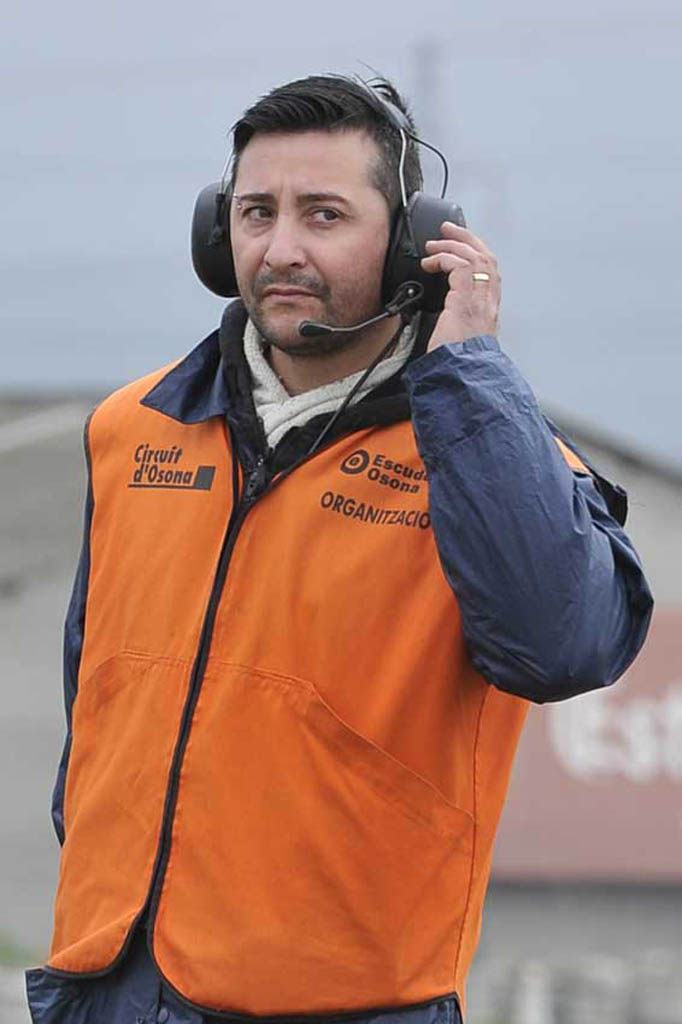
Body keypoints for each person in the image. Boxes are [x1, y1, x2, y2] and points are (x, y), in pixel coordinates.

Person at [27, 74, 653, 1024]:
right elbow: (97, 703)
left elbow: (563, 648)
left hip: (345, 1002)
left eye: (324, 215)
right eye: (256, 213)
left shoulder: (491, 460)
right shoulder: (132, 429)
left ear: (409, 245)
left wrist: (468, 369)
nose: (281, 248)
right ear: (217, 234)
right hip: (108, 982)